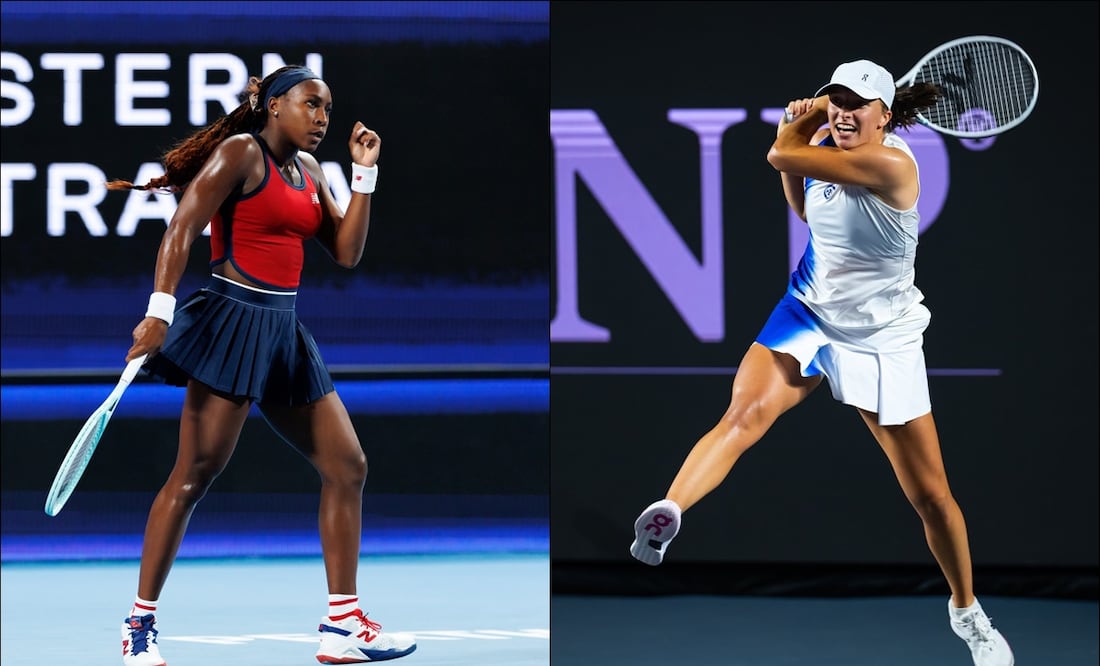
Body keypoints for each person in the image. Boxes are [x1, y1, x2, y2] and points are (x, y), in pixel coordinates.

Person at [628, 60, 1014, 666]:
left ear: (885, 115)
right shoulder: (826, 153)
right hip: (808, 312)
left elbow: (781, 158)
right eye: (835, 100)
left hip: (883, 338)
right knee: (743, 417)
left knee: (931, 497)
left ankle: (967, 613)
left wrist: (795, 129)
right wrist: (804, 133)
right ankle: (669, 511)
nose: (842, 112)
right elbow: (807, 209)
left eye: (857, 104)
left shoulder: (891, 164)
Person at [108, 65, 416, 665]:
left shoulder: (309, 171)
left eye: (328, 108)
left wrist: (365, 175)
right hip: (231, 324)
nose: (323, 118)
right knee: (195, 475)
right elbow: (183, 227)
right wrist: (159, 312)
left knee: (348, 465)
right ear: (274, 105)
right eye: (310, 105)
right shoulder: (238, 155)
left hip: (283, 332)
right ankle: (138, 625)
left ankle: (342, 624)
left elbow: (346, 252)